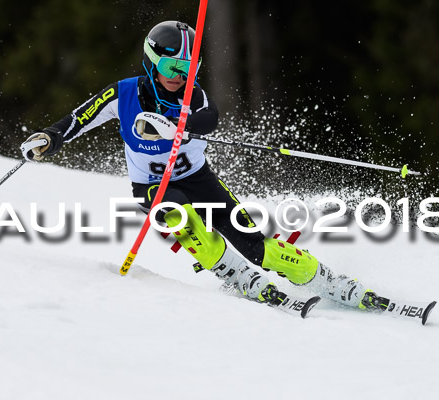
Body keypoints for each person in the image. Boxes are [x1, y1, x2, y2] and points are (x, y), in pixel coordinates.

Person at [20, 20, 388, 311]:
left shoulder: (191, 95)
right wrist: (48, 139)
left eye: (188, 67)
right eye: (171, 66)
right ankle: (232, 272)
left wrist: (183, 127)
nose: (179, 76)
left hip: (200, 179)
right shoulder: (123, 93)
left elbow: (210, 117)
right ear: (151, 61)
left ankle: (321, 278)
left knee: (254, 243)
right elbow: (79, 119)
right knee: (176, 212)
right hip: (153, 187)